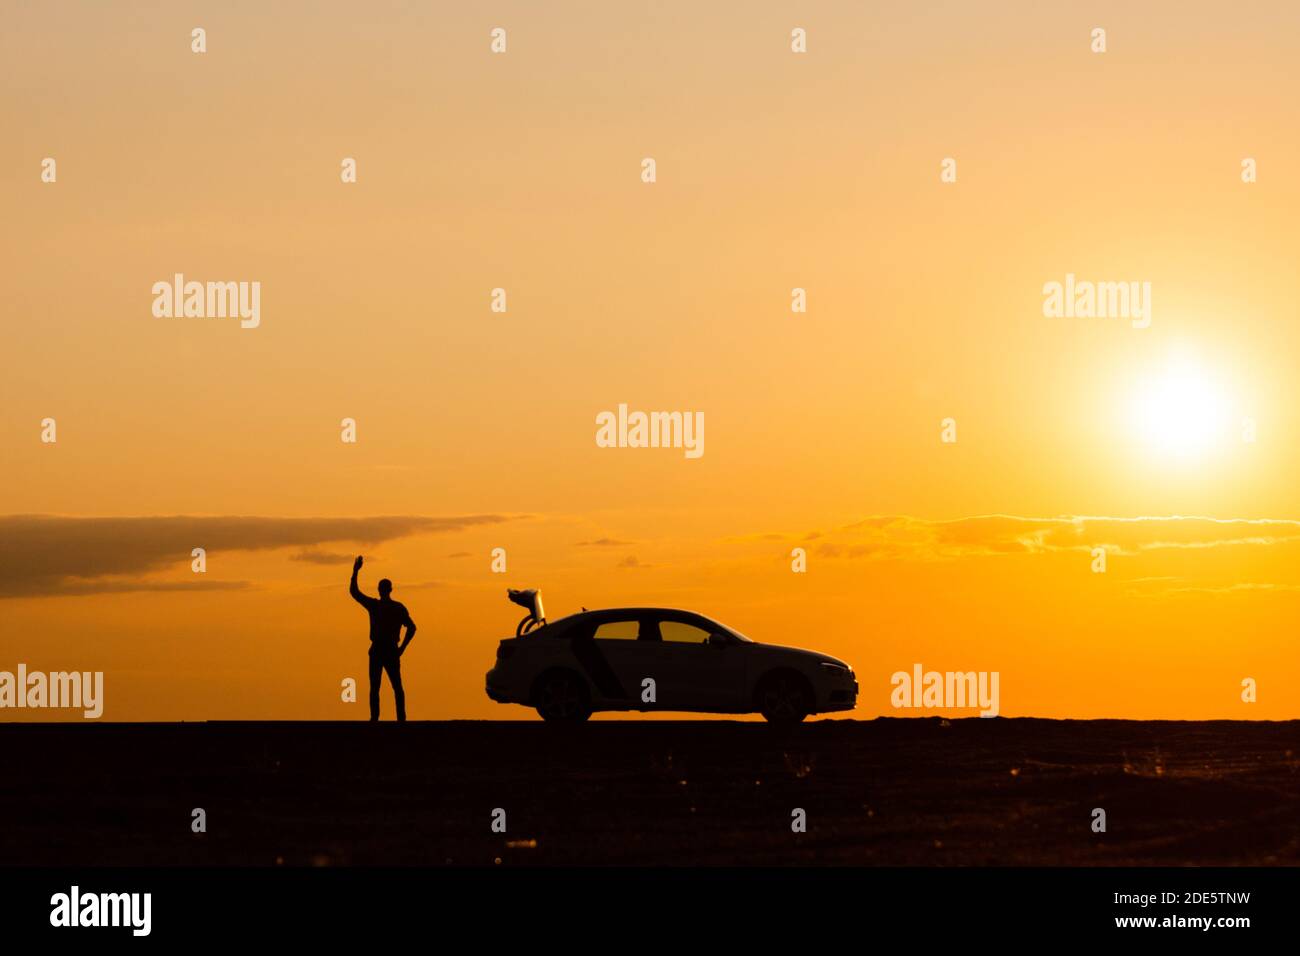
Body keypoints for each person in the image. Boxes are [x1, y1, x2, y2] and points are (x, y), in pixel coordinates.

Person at [349, 555, 417, 721]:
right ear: (390, 590)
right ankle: (398, 719)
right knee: (395, 687)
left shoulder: (377, 606)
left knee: (378, 687)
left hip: (383, 649)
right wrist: (402, 648)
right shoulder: (394, 607)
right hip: (388, 650)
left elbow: (354, 592)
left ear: (380, 590)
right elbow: (412, 628)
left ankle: (377, 719)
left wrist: (355, 572)